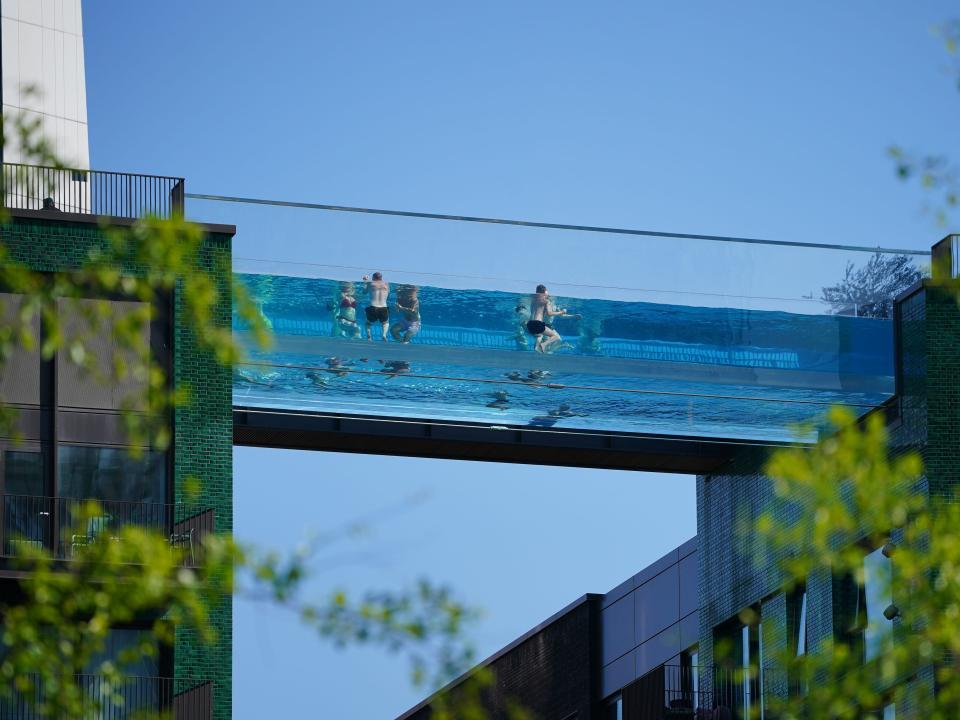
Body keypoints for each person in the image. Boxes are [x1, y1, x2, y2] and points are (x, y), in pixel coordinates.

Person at [526, 284, 573, 353]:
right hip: (537, 324)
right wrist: (561, 312)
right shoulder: (546, 301)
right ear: (544, 292)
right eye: (547, 293)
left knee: (540, 334)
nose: (547, 295)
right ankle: (543, 345)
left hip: (529, 325)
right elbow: (549, 313)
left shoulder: (533, 301)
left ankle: (537, 346)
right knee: (556, 337)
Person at [362, 272, 390, 341]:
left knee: (368, 323)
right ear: (381, 278)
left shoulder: (370, 283)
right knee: (385, 323)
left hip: (373, 307)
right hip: (384, 307)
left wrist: (365, 282)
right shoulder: (386, 284)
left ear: (373, 278)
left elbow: (364, 292)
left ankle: (369, 336)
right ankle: (384, 335)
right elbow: (388, 294)